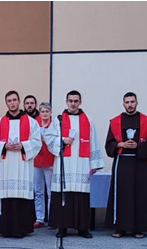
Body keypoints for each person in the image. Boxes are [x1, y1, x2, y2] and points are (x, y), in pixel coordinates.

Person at [43, 90, 103, 239]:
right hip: (64, 163)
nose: (73, 104)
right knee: (63, 195)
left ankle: (82, 228)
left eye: (76, 101)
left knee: (81, 195)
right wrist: (62, 141)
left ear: (80, 102)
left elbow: (94, 141)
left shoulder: (88, 120)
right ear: (66, 102)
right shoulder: (59, 120)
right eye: (70, 101)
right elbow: (48, 138)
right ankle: (62, 228)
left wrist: (94, 163)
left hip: (82, 164)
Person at [0, 90, 42, 238]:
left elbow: (37, 142)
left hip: (22, 164)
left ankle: (22, 228)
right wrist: (3, 146)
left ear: (19, 101)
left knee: (21, 197)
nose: (12, 103)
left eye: (14, 100)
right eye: (9, 101)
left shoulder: (31, 122)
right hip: (4, 166)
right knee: (6, 196)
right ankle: (5, 228)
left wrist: (23, 145)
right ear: (6, 103)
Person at [104, 92, 147, 238]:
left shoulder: (146, 121)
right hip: (122, 162)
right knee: (121, 194)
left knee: (140, 195)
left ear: (136, 103)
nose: (130, 105)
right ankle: (119, 227)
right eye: (127, 102)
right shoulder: (115, 121)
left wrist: (138, 146)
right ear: (123, 104)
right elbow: (109, 143)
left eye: (132, 102)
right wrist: (120, 144)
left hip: (139, 163)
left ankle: (138, 228)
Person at [30, 97, 54, 229]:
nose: (44, 114)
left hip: (50, 161)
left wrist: (47, 140)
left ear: (50, 113)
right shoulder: (35, 124)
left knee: (50, 191)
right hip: (36, 161)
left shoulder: (55, 125)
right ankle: (39, 218)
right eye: (42, 111)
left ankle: (51, 218)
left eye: (47, 111)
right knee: (38, 191)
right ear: (39, 113)